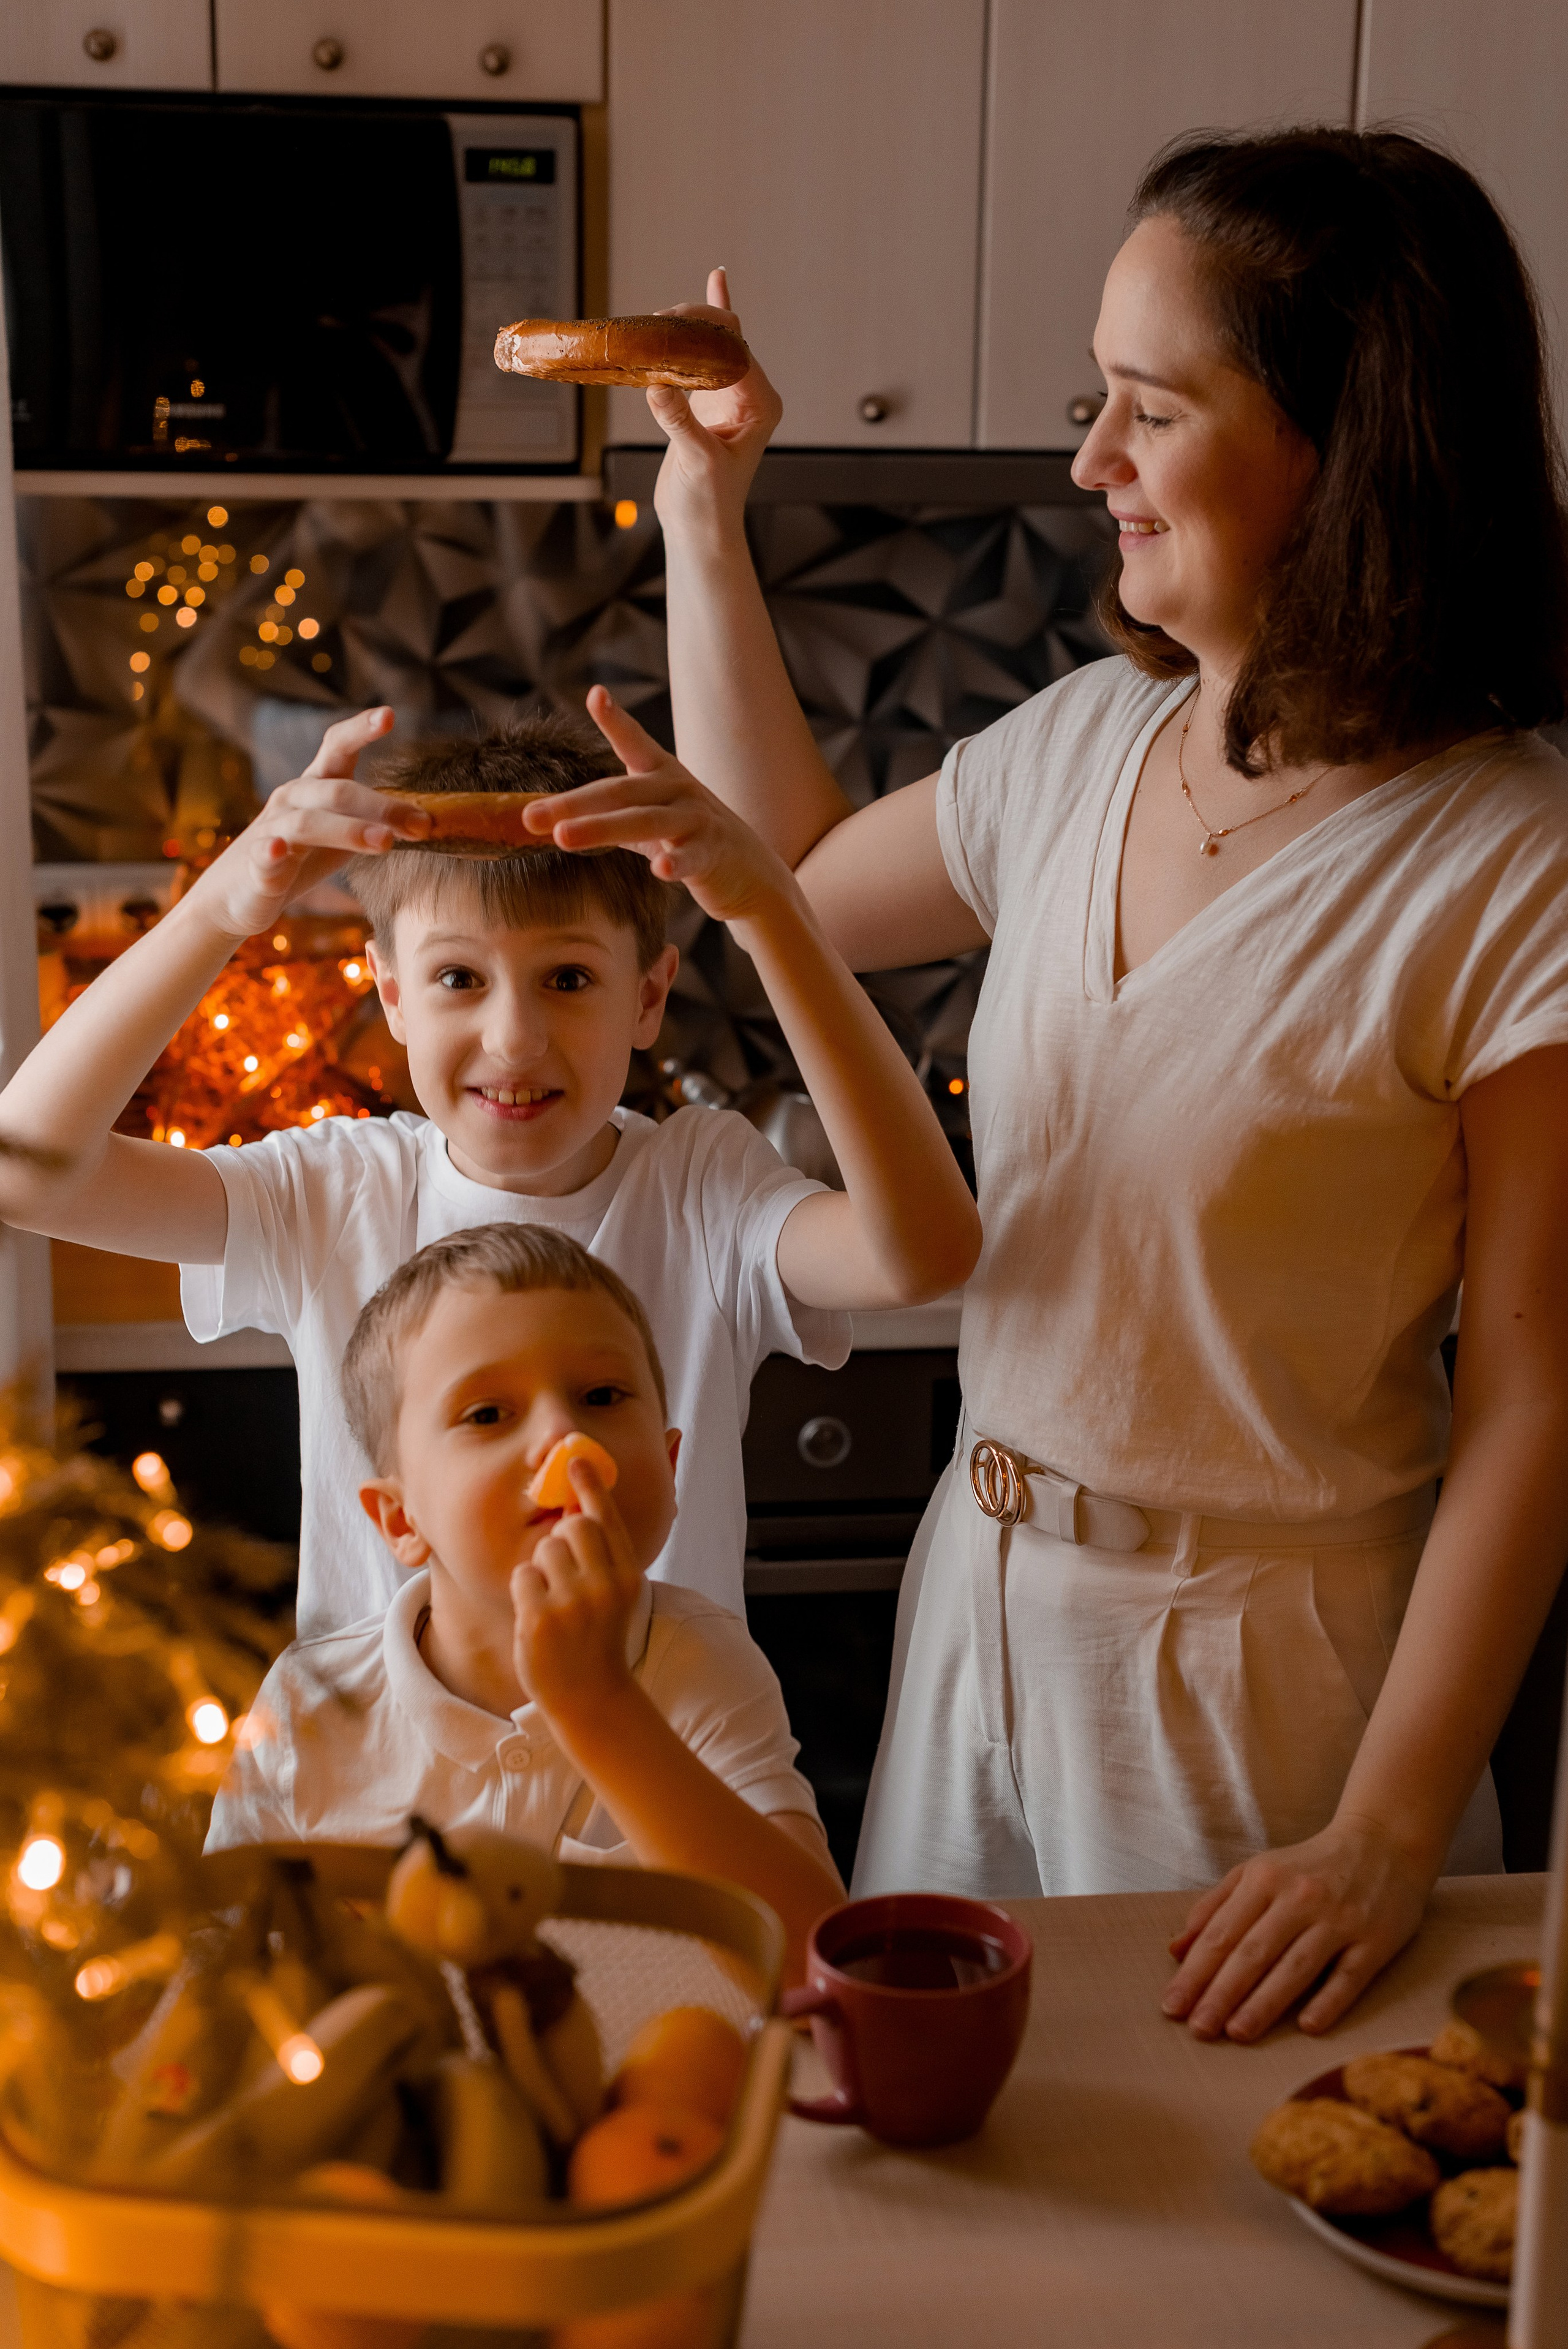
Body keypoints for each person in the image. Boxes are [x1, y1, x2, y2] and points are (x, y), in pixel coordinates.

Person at [548, 127, 1568, 2045]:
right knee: (952, 2183)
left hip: (1259, 1690)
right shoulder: (1088, 741)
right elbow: (790, 879)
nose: (1088, 461)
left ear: (1343, 452)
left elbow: (1534, 1398)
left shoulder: (1511, 860)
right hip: (977, 1603)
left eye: (1149, 409)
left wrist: (1384, 1824)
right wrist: (703, 511)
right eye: (1089, 398)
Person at [0, 701, 979, 1637]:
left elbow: (921, 1255)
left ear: (647, 998)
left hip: (655, 1797)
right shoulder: (335, 1193)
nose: (513, 1041)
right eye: (459, 977)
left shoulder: (703, 1188)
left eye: (568, 978)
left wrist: (771, 909)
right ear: (391, 994)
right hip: (389, 1802)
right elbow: (31, 1172)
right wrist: (222, 905)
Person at [206, 1223, 845, 1980]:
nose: (565, 1435)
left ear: (669, 1469)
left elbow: (817, 1968)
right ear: (400, 1520)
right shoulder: (311, 1705)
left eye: (601, 1396)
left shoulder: (705, 1664)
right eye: (487, 1414)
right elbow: (222, 1967)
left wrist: (599, 1705)